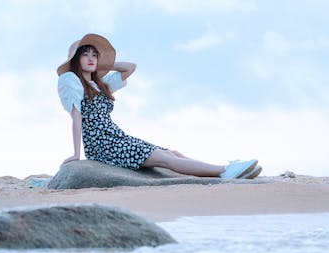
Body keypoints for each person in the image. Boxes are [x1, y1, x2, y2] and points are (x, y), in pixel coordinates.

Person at [57, 33, 262, 179]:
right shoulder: (71, 81)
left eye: (95, 55)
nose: (91, 58)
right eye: (86, 54)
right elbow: (77, 118)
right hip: (103, 144)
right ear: (76, 59)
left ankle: (217, 172)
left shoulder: (100, 84)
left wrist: (104, 65)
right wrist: (76, 154)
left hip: (117, 136)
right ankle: (224, 170)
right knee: (165, 159)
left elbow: (130, 68)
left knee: (172, 153)